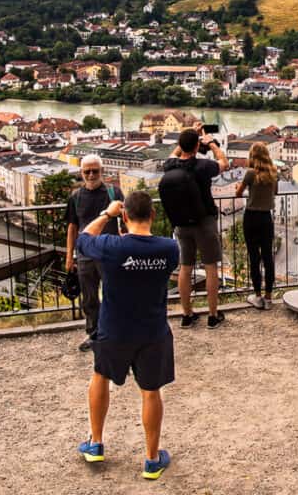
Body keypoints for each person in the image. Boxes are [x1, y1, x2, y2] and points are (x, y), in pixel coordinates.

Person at [75, 191, 179, 481]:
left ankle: (95, 443)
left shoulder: (112, 247)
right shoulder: (169, 249)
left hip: (114, 329)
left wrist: (106, 214)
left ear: (125, 216)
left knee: (100, 378)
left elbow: (83, 239)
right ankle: (151, 459)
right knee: (151, 391)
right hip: (152, 330)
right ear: (153, 216)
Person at [162, 123, 229, 329]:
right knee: (210, 267)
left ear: (181, 145)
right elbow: (223, 163)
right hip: (204, 222)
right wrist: (210, 142)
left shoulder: (170, 165)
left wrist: (187, 134)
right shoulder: (202, 166)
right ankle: (212, 314)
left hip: (180, 224)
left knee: (185, 267)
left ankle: (187, 314)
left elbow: (175, 153)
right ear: (196, 147)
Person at [65, 154, 124, 352]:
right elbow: (72, 228)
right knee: (89, 297)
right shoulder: (75, 197)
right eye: (87, 171)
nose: (91, 175)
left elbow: (125, 222)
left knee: (113, 294)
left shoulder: (114, 193)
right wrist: (69, 257)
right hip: (85, 255)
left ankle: (113, 331)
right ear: (81, 173)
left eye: (94, 171)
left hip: (110, 252)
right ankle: (94, 332)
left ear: (102, 171)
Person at [235, 141, 278, 309]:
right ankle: (268, 298)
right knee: (268, 257)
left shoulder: (250, 173)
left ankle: (258, 296)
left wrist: (241, 187)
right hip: (266, 218)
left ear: (252, 156)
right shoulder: (274, 172)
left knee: (254, 257)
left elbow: (239, 193)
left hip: (251, 217)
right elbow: (275, 192)